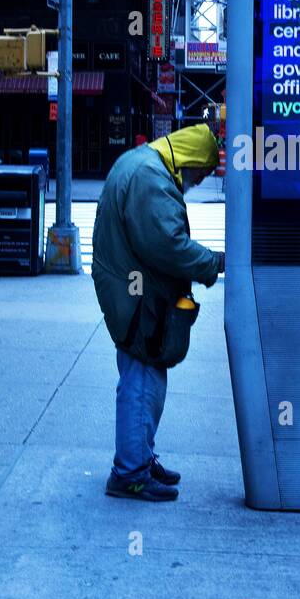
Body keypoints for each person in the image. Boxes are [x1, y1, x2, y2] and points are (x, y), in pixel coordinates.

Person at [91, 125, 224, 502]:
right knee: (142, 377)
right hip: (138, 297)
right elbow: (168, 245)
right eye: (198, 175)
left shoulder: (144, 165)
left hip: (133, 290)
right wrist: (211, 263)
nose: (196, 183)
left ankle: (140, 458)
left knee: (145, 374)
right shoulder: (150, 176)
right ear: (189, 160)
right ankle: (130, 472)